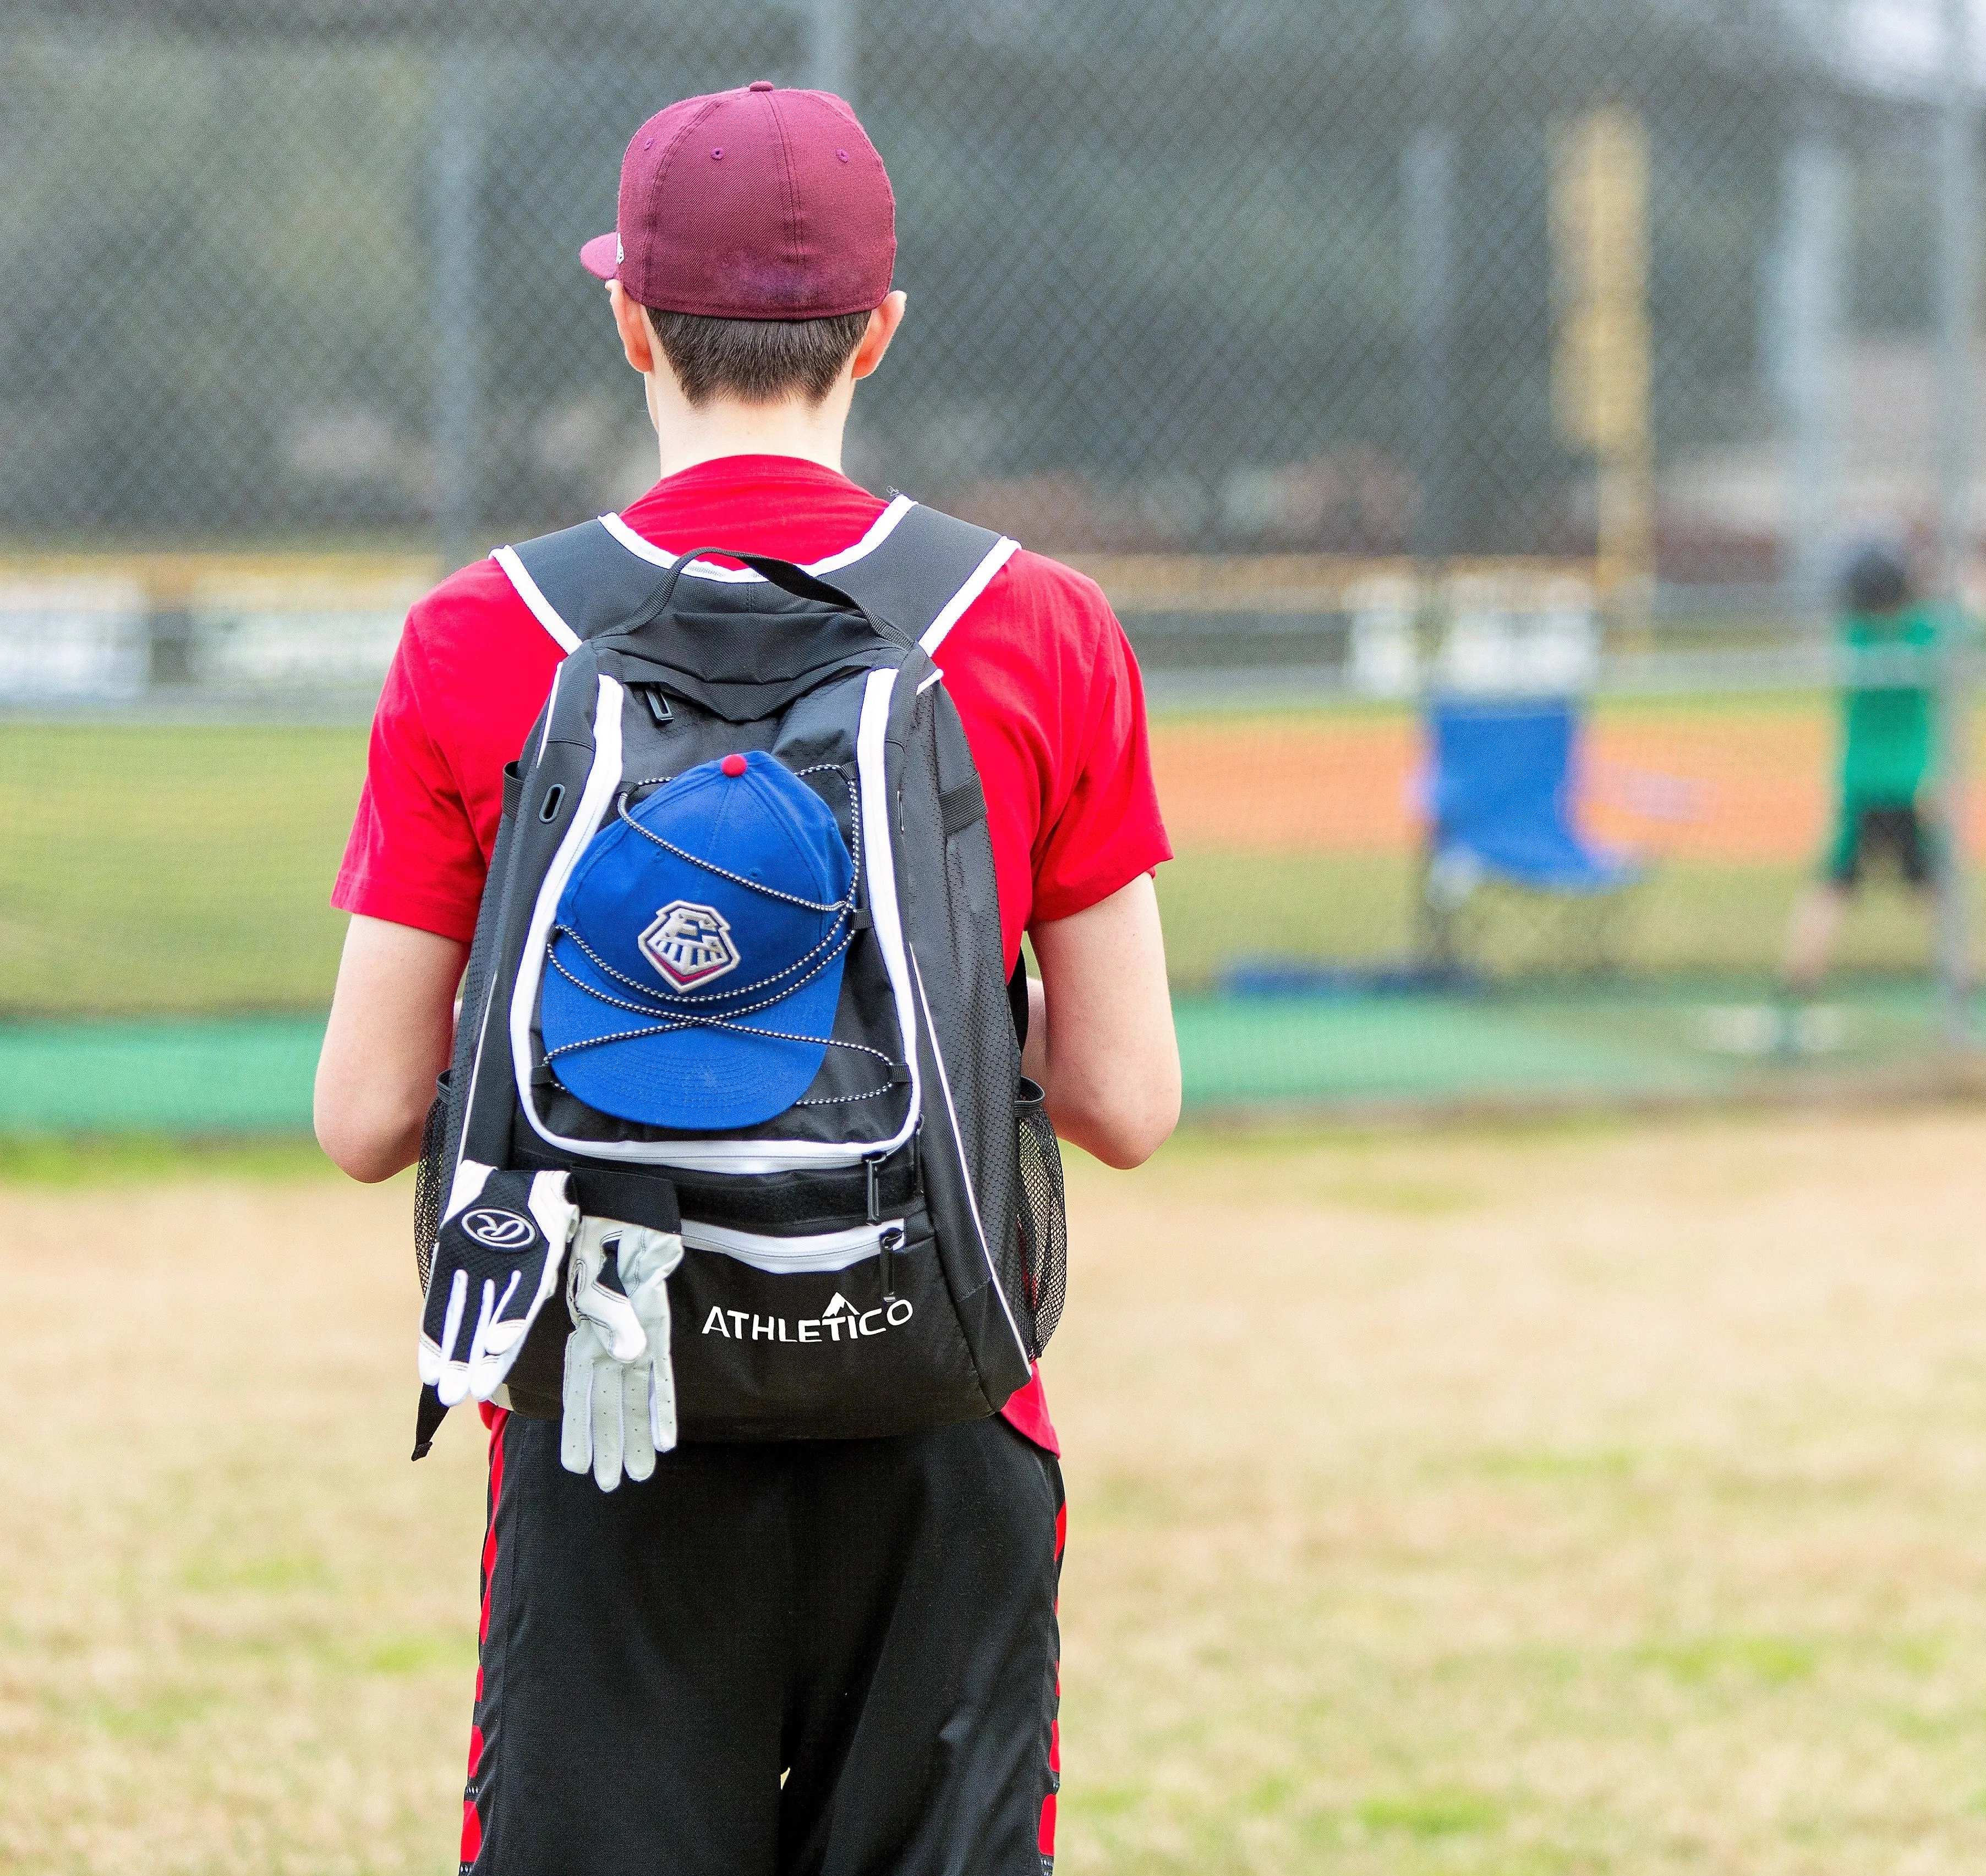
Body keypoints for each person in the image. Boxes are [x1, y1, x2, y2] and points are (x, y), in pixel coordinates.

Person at [311, 81, 1180, 1876]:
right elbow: (1124, 1102)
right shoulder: (1036, 625)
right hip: (938, 1404)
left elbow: (365, 1115)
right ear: (879, 329)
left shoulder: (486, 634)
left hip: (605, 1414)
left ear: (628, 317)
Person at [1779, 537, 1986, 1003]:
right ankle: (1964, 980)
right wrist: (1959, 560)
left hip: (1860, 785)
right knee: (1935, 887)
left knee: (1835, 884)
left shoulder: (1853, 637)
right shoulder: (1925, 633)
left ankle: (1798, 980)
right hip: (1913, 785)